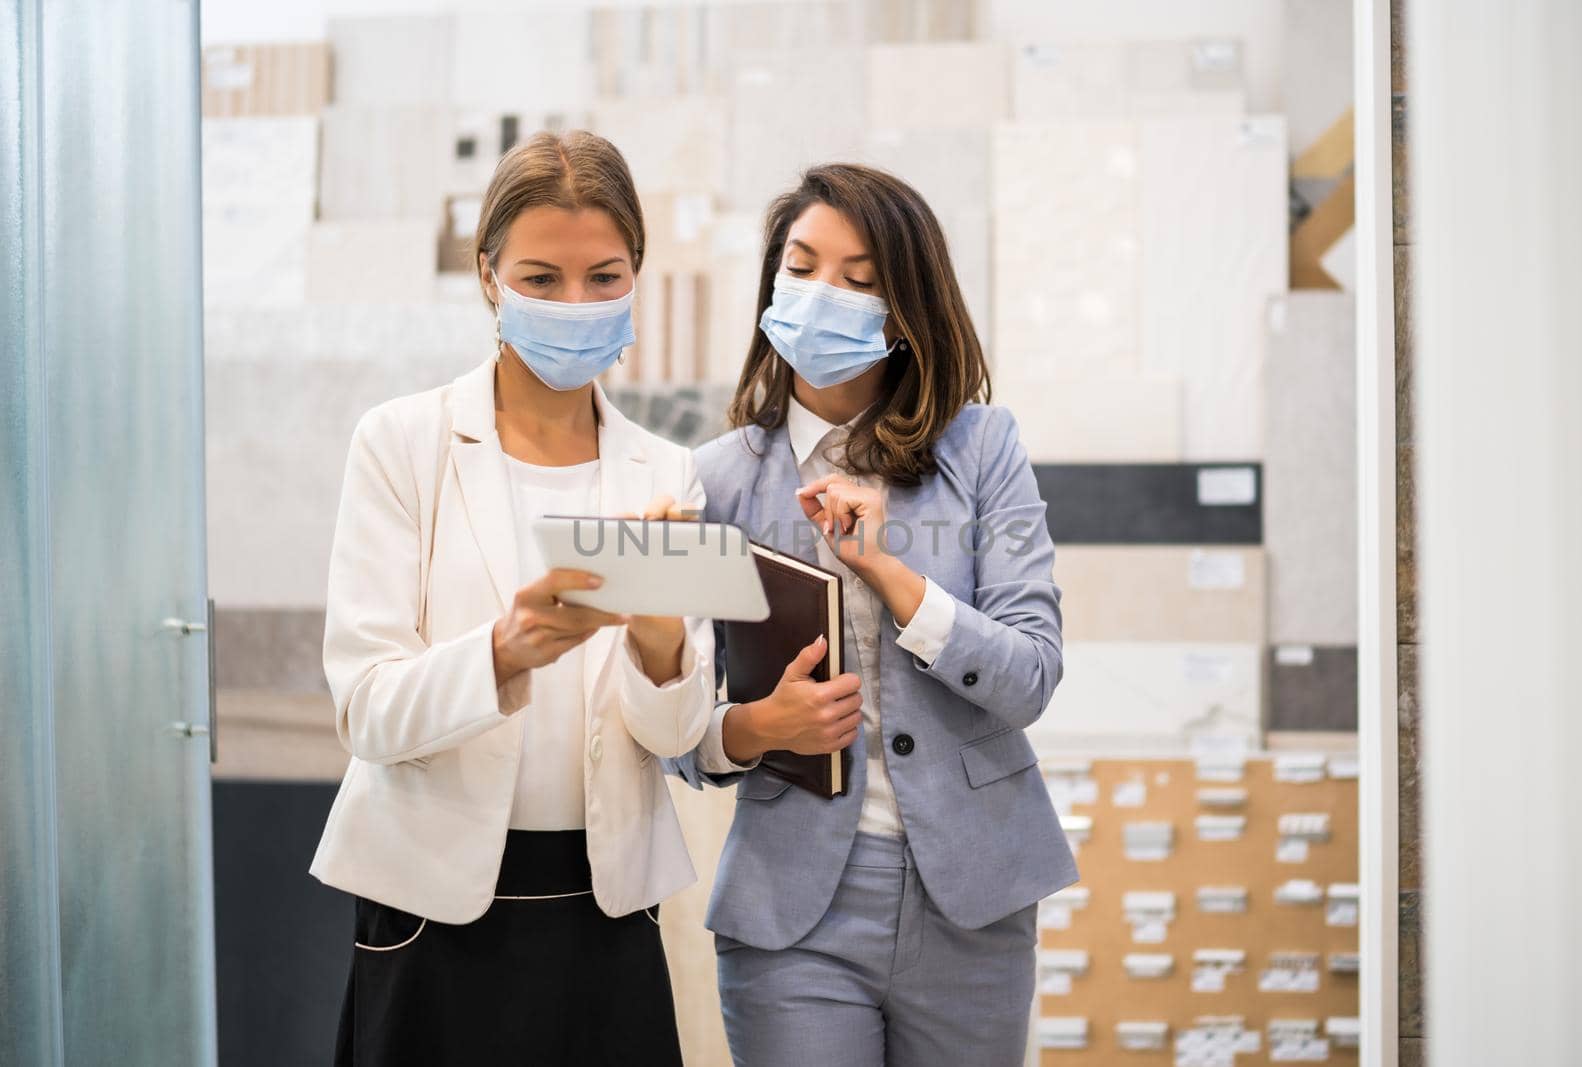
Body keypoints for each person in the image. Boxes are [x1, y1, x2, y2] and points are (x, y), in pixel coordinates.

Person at [310, 130, 711, 1066]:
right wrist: (505, 650)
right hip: (432, 909)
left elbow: (679, 734)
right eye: (541, 278)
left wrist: (659, 642)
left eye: (604, 277)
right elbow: (367, 711)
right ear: (489, 277)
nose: (576, 304)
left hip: (604, 907)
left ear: (637, 275)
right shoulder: (401, 443)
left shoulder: (666, 472)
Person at [669, 163, 1078, 1065]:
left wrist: (896, 580)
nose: (824, 294)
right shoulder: (712, 480)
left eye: (860, 280)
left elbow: (1033, 674)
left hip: (973, 894)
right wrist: (751, 728)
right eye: (804, 267)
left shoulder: (983, 449)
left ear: (906, 309)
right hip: (793, 904)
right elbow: (676, 728)